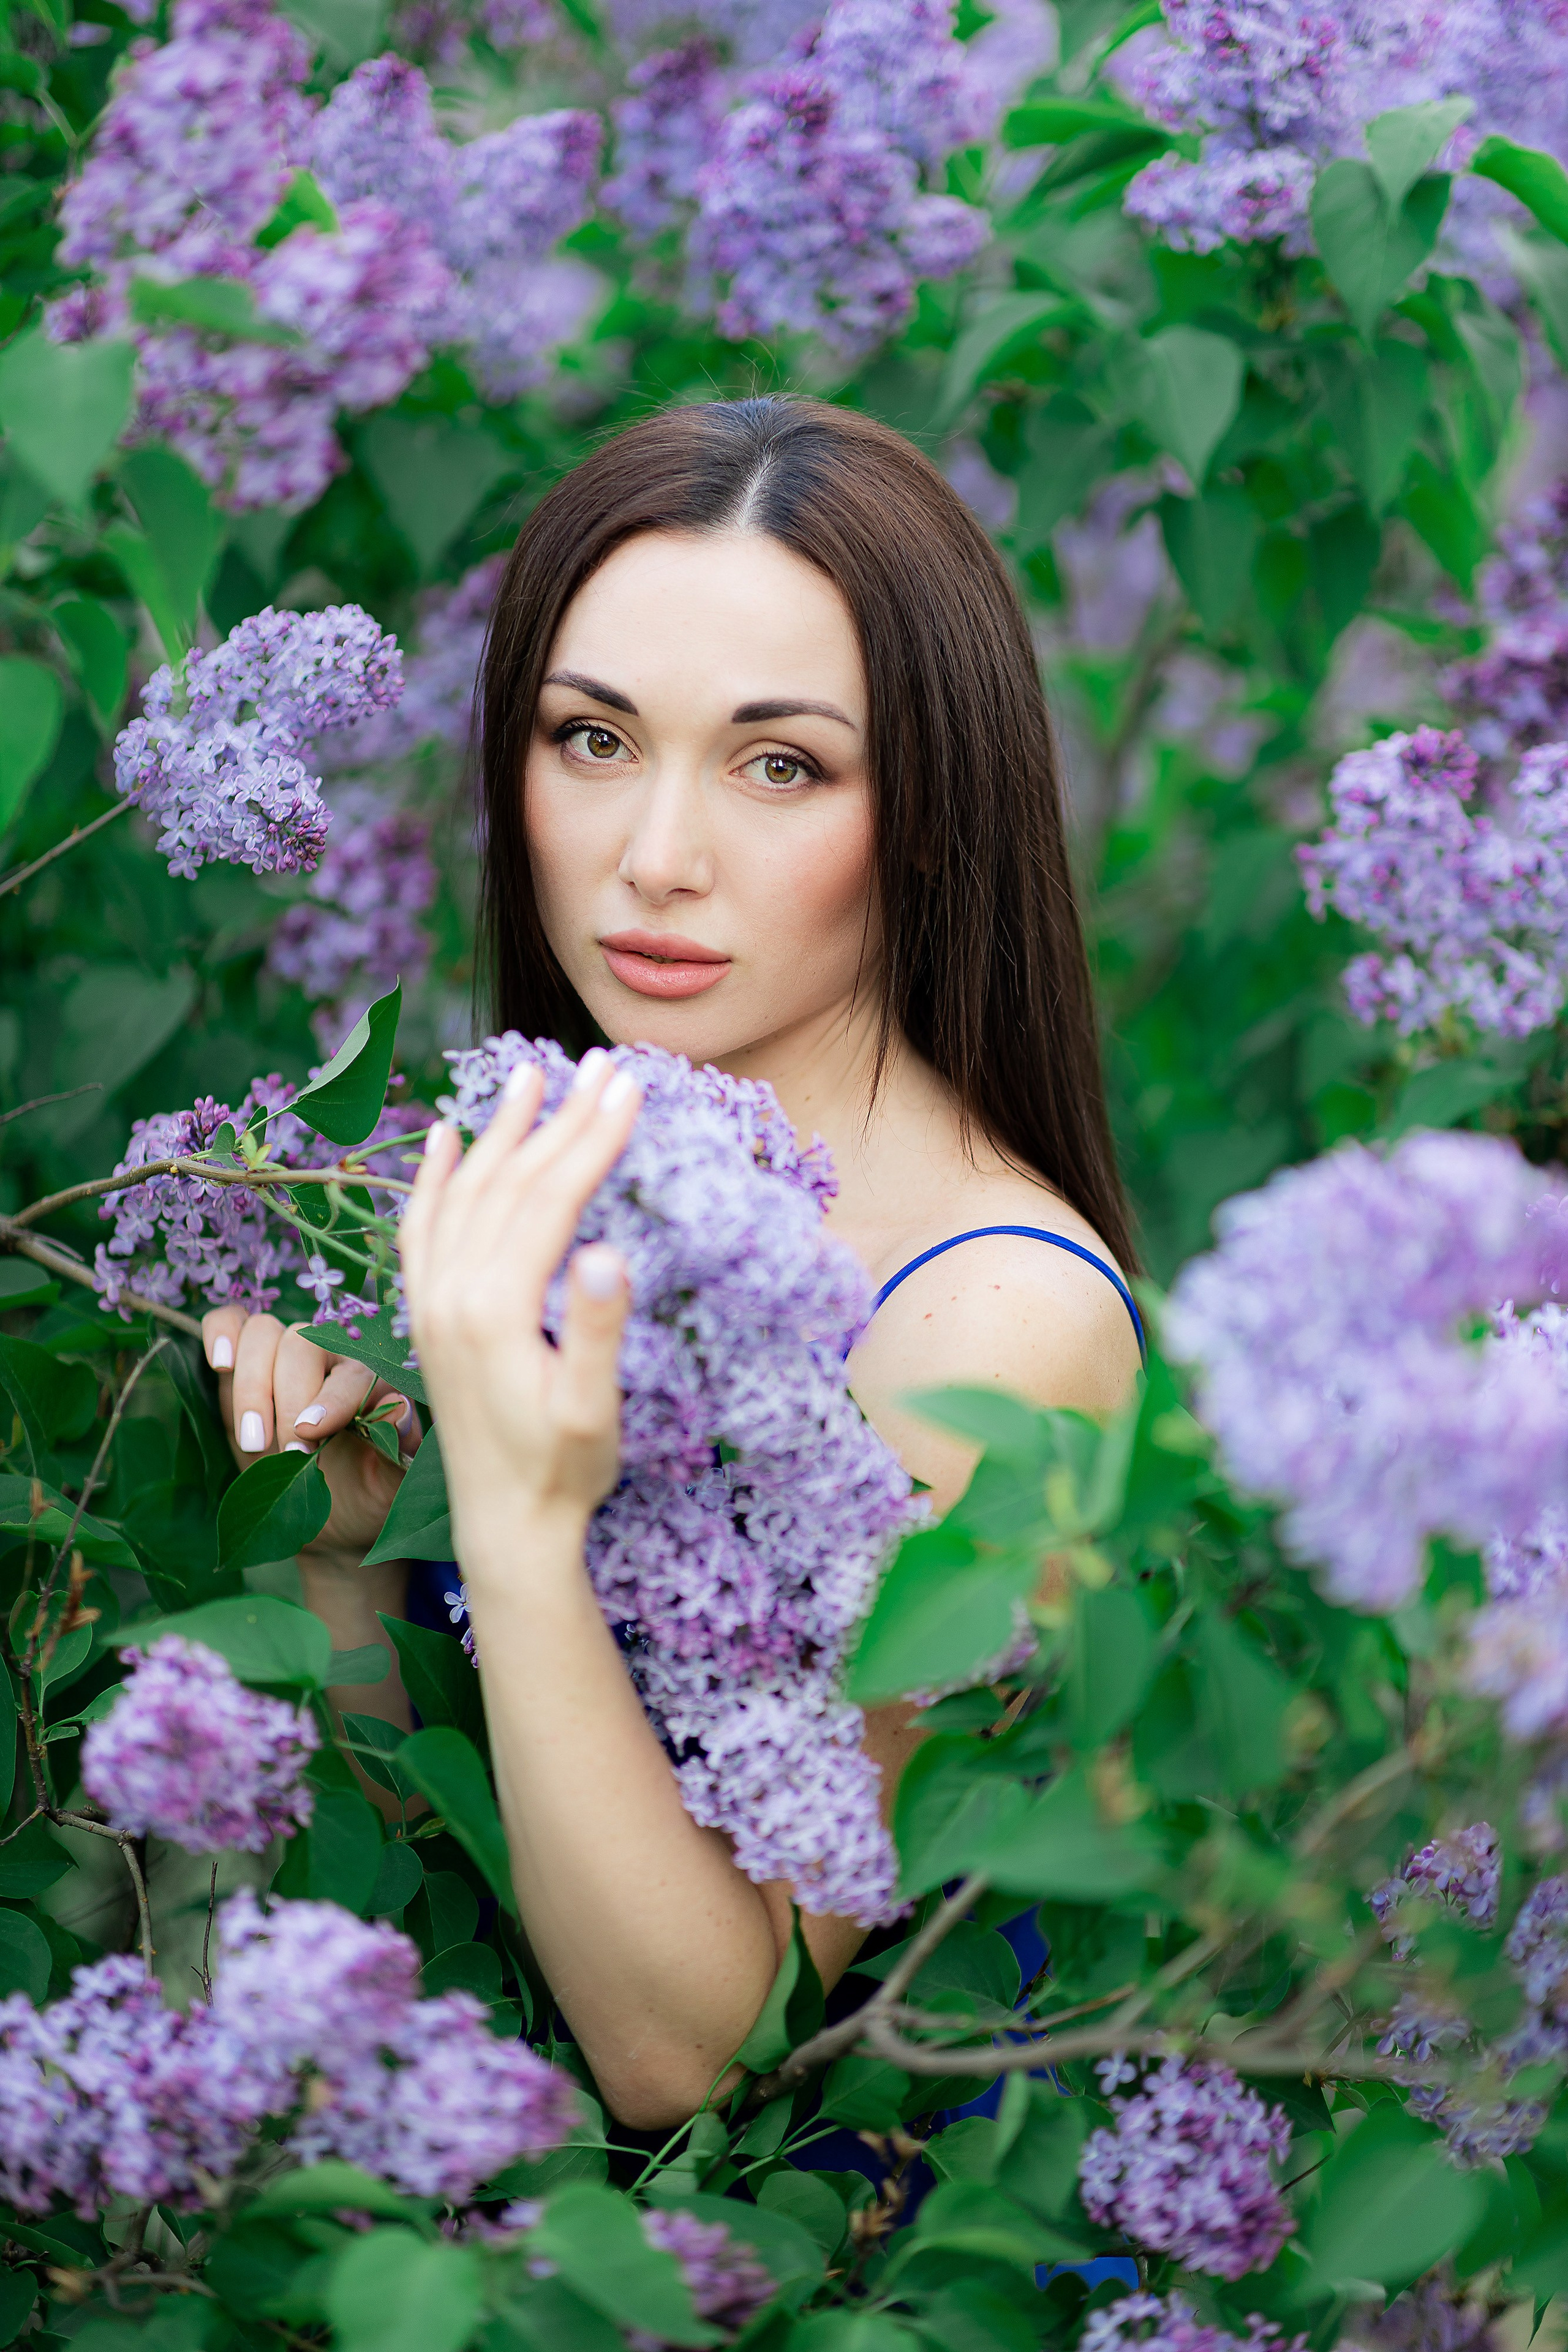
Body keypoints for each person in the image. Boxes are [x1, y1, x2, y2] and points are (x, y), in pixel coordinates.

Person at [198, 396, 1144, 2132]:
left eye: (781, 766)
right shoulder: (539, 1181)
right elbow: (467, 1925)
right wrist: (348, 1557)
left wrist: (515, 1513)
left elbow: (694, 2055)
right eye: (593, 739)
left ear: (932, 812)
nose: (654, 860)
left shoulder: (991, 1323)